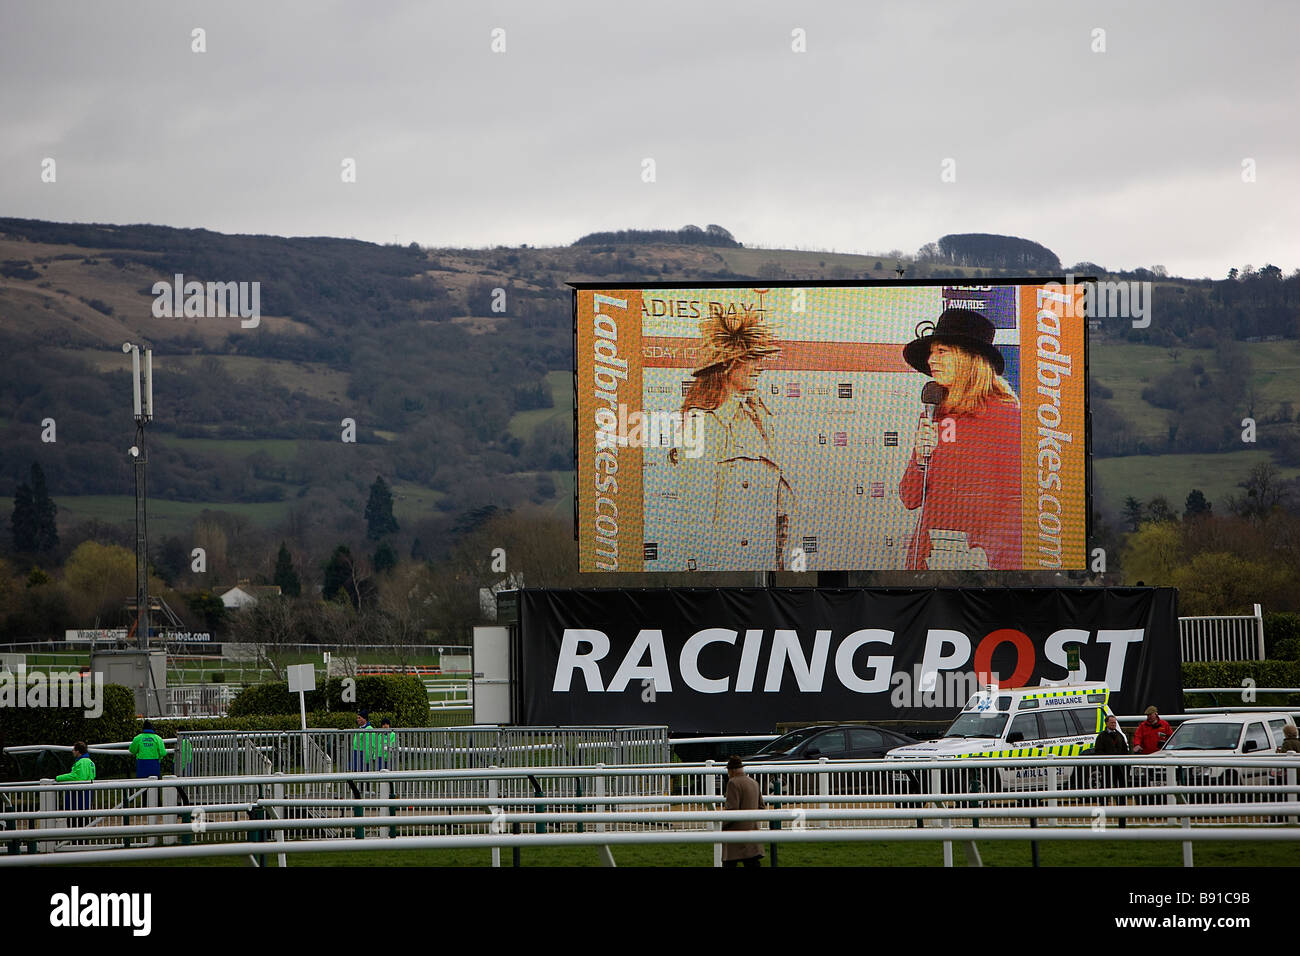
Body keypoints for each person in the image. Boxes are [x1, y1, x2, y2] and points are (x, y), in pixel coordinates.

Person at [898, 308, 1021, 570]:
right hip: (929, 560)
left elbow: (1016, 503)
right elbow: (909, 498)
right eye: (932, 352)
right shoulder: (934, 414)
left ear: (969, 358)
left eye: (941, 351)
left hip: (982, 564)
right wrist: (919, 460)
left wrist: (983, 554)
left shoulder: (1007, 415)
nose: (932, 360)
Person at [673, 307, 795, 571]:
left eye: (758, 358)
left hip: (762, 565)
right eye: (750, 358)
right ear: (725, 365)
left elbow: (779, 507)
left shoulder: (760, 419)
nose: (759, 367)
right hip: (725, 570)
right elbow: (696, 513)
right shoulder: (701, 423)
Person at [721, 756, 764, 867]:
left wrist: (722, 826)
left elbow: (732, 810)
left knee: (729, 863)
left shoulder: (732, 783)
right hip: (752, 833)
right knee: (752, 863)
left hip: (735, 834)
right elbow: (761, 807)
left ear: (732, 770)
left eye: (728, 771)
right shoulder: (754, 782)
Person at [1090, 716, 1129, 827]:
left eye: (1115, 722)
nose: (1113, 724)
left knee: (1121, 792)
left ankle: (1122, 819)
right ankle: (1101, 818)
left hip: (1119, 768)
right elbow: (1098, 752)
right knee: (1104, 792)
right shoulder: (1101, 737)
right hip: (1107, 768)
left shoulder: (1120, 736)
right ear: (1106, 723)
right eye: (1111, 722)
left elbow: (1125, 752)